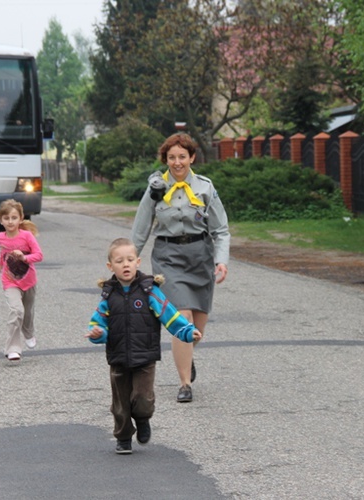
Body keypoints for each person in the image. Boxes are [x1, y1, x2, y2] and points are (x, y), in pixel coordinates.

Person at [131, 132, 230, 403]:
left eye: (182, 157)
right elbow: (141, 229)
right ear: (166, 160)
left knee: (197, 327)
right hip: (168, 257)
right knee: (182, 320)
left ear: (192, 157)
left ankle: (186, 355)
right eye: (172, 157)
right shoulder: (156, 189)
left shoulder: (205, 188)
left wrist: (221, 260)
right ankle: (185, 383)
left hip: (200, 257)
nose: (177, 163)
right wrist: (129, 262)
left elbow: (221, 229)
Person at [86, 238, 202, 454]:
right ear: (111, 266)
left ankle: (142, 418)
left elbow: (170, 315)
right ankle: (123, 438)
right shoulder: (108, 295)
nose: (126, 264)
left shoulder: (150, 291)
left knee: (143, 399)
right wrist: (97, 333)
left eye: (130, 259)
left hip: (145, 357)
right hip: (118, 356)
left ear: (138, 262)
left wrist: (186, 331)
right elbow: (98, 322)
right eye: (120, 261)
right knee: (120, 404)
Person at [0, 199, 43, 362]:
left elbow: (39, 255)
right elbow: (4, 254)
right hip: (10, 281)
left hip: (29, 281)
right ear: (0, 220)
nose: (10, 221)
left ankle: (28, 333)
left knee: (27, 313)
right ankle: (13, 348)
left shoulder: (27, 236)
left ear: (20, 219)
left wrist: (25, 257)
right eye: (6, 218)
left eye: (14, 218)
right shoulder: (0, 237)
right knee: (16, 311)